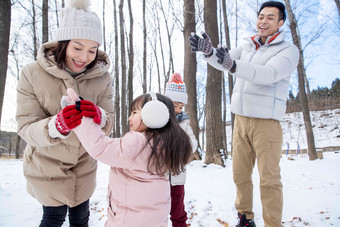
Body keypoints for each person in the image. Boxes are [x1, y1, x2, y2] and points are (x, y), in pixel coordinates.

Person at [188, 1, 299, 226]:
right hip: (240, 120)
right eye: (261, 17)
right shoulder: (247, 46)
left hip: (266, 124)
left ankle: (272, 223)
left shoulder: (288, 50)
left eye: (270, 17)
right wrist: (209, 52)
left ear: (280, 23)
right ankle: (245, 218)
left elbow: (268, 74)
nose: (263, 21)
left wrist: (233, 65)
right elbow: (225, 60)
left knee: (269, 180)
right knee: (240, 175)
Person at [15, 0, 114, 226]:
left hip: (84, 168)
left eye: (92, 50)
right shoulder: (31, 73)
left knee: (81, 218)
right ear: (63, 43)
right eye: (77, 48)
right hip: (47, 166)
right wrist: (55, 126)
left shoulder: (103, 77)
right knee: (53, 218)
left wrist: (100, 116)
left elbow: (109, 120)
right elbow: (25, 125)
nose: (84, 57)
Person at [67, 91, 192, 226]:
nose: (129, 118)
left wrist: (81, 119)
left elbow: (100, 147)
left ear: (153, 115)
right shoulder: (167, 145)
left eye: (134, 112)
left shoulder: (137, 143)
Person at [164, 73, 198, 227]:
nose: (178, 109)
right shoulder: (158, 119)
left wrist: (179, 143)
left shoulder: (184, 122)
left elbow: (193, 143)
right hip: (159, 176)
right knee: (157, 209)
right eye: (175, 105)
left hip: (177, 176)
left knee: (178, 210)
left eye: (181, 106)